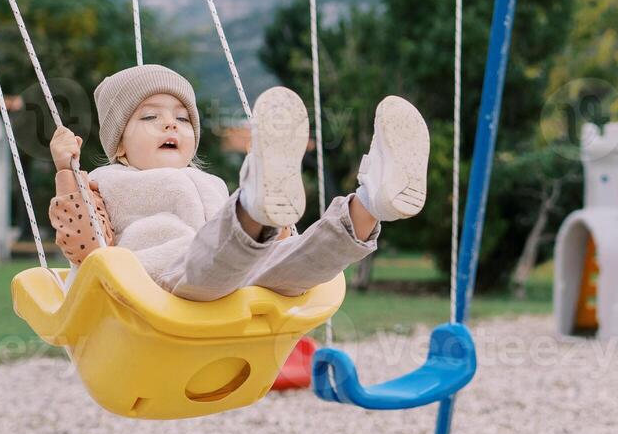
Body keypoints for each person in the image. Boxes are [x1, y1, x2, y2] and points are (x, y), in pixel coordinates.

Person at [48, 64, 428, 301]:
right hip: (159, 287)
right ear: (119, 146)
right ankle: (254, 202)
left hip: (238, 278)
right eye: (149, 117)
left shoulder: (208, 182)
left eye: (182, 118)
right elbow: (86, 246)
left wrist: (278, 234)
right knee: (215, 259)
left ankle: (371, 202)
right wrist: (67, 172)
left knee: (298, 263)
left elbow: (270, 240)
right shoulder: (105, 181)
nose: (170, 124)